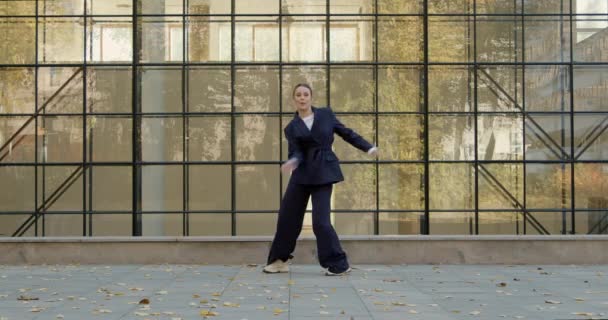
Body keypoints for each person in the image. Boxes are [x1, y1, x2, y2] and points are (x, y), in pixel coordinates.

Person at [263, 83, 378, 276]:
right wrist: (292, 161)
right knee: (287, 218)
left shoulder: (326, 115)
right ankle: (279, 260)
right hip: (301, 175)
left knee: (321, 222)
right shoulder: (291, 128)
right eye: (298, 95)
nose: (302, 97)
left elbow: (346, 133)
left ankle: (339, 264)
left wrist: (368, 147)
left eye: (305, 94)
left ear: (311, 97)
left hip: (324, 172)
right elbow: (296, 152)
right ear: (294, 100)